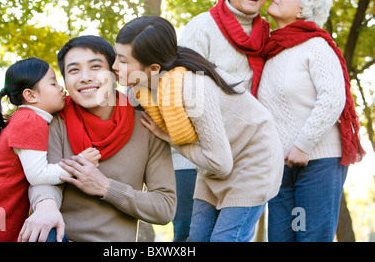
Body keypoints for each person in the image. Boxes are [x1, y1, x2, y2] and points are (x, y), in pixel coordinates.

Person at [113, 16, 283, 242]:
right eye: (116, 56)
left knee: (225, 239)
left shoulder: (192, 87)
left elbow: (221, 164)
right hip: (214, 160)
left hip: (253, 160)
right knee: (196, 239)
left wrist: (169, 137)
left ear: (153, 68)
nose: (114, 66)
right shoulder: (139, 91)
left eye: (123, 61)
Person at [18, 35, 176, 242]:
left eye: (95, 67)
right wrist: (45, 206)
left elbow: (164, 207)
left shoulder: (147, 126)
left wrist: (106, 187)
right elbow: (44, 179)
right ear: (65, 81)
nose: (85, 77)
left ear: (114, 73)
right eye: (73, 70)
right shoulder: (55, 121)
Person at [257, 0, 366, 242]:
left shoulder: (316, 46)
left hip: (318, 161)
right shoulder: (270, 51)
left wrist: (303, 145)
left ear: (303, 10)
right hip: (280, 167)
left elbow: (333, 97)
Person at [173, 0, 274, 241]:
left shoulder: (266, 37)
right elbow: (182, 87)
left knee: (229, 235)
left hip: (241, 156)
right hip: (195, 154)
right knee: (188, 235)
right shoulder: (202, 26)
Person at [0, 57, 100, 242]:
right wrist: (78, 163)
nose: (61, 88)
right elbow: (39, 175)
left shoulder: (26, 119)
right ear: (31, 95)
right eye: (53, 83)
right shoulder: (30, 121)